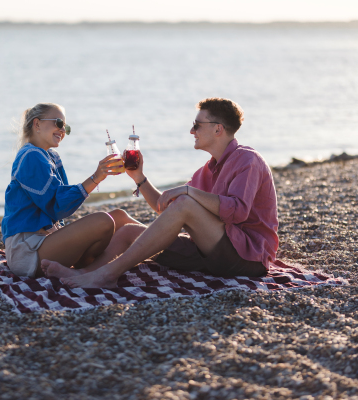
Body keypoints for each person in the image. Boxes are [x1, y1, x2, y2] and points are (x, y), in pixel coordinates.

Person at [42, 98, 279, 288]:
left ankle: (108, 275)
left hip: (246, 257)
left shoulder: (247, 160)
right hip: (211, 253)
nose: (191, 130)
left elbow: (236, 212)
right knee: (128, 231)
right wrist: (139, 178)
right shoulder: (207, 171)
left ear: (218, 129)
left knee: (185, 202)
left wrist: (188, 193)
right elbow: (166, 207)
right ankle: (86, 274)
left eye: (197, 125)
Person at [1, 102, 139, 278]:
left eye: (66, 127)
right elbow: (57, 205)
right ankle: (90, 271)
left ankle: (162, 243)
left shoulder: (50, 156)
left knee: (120, 217)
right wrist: (96, 177)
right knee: (104, 221)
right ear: (37, 124)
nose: (63, 130)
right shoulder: (31, 156)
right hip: (28, 251)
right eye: (59, 123)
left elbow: (60, 206)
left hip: (47, 240)